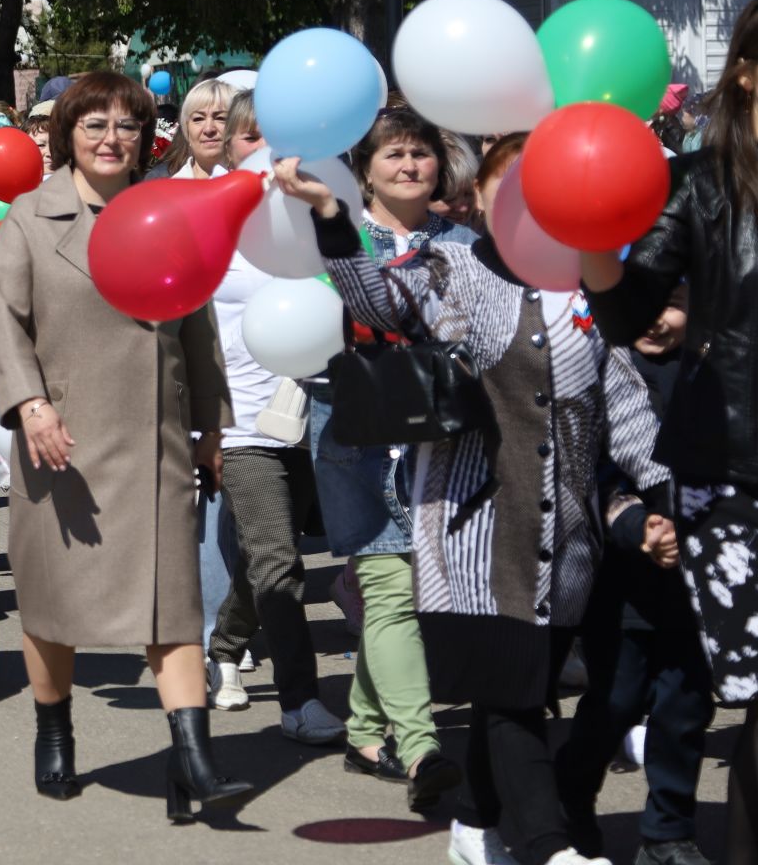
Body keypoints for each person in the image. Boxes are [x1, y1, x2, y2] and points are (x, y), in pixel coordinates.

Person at [277, 142, 671, 865]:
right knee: (513, 696)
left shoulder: (593, 286)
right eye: (506, 187)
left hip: (566, 539)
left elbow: (627, 404)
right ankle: (550, 847)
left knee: (518, 689)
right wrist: (333, 217)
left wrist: (664, 493)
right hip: (472, 533)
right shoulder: (453, 269)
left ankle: (472, 822)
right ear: (482, 198)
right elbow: (376, 300)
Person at [0, 70, 251, 816]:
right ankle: (54, 727)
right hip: (60, 441)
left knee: (174, 603)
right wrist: (30, 406)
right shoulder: (30, 219)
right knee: (53, 603)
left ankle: (191, 759)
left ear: (145, 138)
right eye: (94, 124)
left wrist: (209, 427)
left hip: (156, 441)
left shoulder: (165, 212)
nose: (110, 139)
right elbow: (4, 322)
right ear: (67, 134)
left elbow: (196, 324)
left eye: (126, 125)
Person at [582, 0, 758, 865]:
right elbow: (632, 309)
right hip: (737, 469)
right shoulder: (705, 185)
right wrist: (594, 252)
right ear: (746, 76)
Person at [303, 105, 476, 812]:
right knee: (389, 588)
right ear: (364, 170)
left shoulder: (464, 238)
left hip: (443, 436)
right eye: (393, 155)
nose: (409, 166)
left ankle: (367, 726)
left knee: (407, 591)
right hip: (357, 432)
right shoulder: (332, 241)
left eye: (420, 154)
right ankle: (421, 745)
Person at [201, 89, 346, 746]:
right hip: (242, 421)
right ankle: (300, 700)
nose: (260, 149)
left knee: (265, 559)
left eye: (272, 136)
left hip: (314, 409)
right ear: (229, 145)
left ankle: (226, 643)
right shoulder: (209, 218)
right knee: (279, 560)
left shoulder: (322, 210)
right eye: (247, 136)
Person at [559, 279, 715, 865]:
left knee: (685, 707)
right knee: (616, 701)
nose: (657, 321)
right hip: (621, 577)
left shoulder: (712, 369)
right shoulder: (600, 367)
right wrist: (637, 526)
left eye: (673, 304)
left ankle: (668, 832)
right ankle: (570, 797)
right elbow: (587, 471)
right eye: (641, 306)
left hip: (697, 574)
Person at [157, 78, 234, 179]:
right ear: (187, 129)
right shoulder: (169, 191)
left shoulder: (258, 184)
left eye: (220, 118)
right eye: (198, 119)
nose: (209, 129)